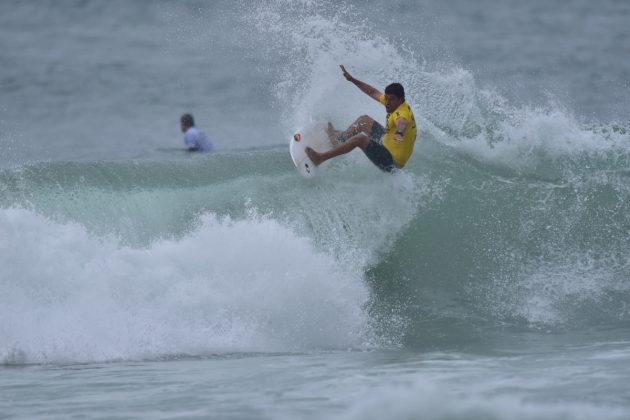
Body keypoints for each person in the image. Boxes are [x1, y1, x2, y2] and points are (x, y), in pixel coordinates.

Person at [305, 65, 417, 172]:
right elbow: (372, 92)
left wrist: (399, 133)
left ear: (401, 99)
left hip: (392, 161)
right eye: (386, 99)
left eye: (391, 99)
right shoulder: (394, 103)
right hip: (386, 140)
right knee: (364, 121)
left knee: (361, 139)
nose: (387, 103)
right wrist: (352, 80)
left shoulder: (402, 113)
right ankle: (339, 139)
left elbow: (401, 122)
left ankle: (321, 158)